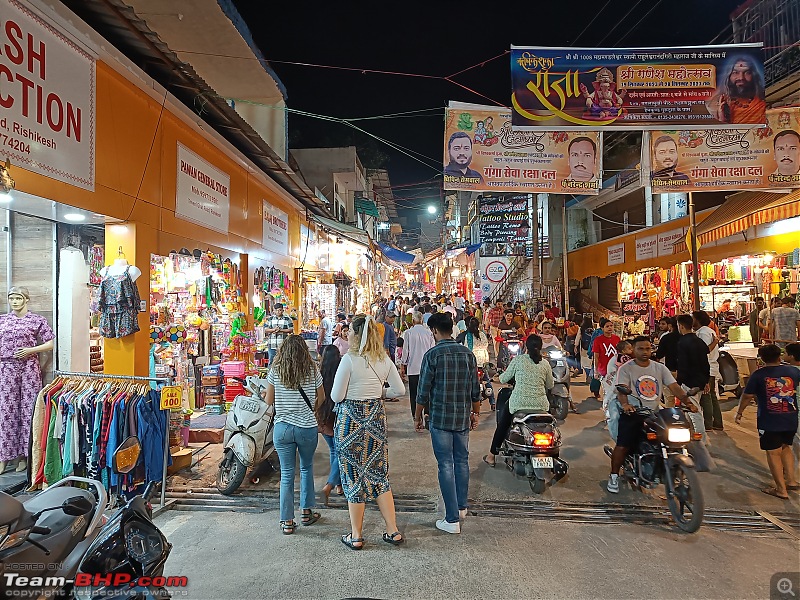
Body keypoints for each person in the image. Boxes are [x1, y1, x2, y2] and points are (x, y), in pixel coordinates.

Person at [331, 314, 405, 549]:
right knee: (378, 474)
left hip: (350, 422)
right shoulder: (383, 359)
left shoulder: (349, 360)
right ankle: (392, 531)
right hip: (375, 422)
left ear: (356, 334)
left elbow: (336, 396)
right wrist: (380, 393)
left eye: (350, 330)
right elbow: (399, 389)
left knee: (353, 476)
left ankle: (356, 535)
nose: (348, 333)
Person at [415, 312, 480, 534]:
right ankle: (461, 507)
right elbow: (475, 390)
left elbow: (422, 392)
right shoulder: (468, 354)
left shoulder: (432, 355)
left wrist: (417, 416)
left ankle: (451, 519)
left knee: (445, 464)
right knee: (461, 461)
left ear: (434, 331)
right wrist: (475, 413)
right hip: (462, 416)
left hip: (440, 418)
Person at [607, 336, 694, 493]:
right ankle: (613, 476)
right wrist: (625, 404)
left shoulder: (659, 368)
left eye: (648, 348)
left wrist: (687, 402)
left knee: (674, 438)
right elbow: (622, 389)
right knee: (623, 445)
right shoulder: (626, 368)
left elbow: (674, 387)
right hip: (633, 412)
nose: (645, 352)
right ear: (633, 350)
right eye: (641, 348)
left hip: (654, 413)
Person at [265, 335, 324, 534]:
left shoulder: (276, 370)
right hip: (306, 427)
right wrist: (311, 410)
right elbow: (321, 396)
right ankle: (306, 513)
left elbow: (268, 400)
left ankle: (287, 522)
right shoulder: (312, 369)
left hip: (282, 428)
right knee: (306, 468)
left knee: (287, 474)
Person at [735, 344, 799, 499]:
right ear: (779, 356)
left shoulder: (758, 375)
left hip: (769, 420)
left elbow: (747, 396)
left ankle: (781, 490)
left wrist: (739, 412)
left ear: (761, 358)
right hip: (790, 418)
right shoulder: (793, 372)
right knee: (786, 447)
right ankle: (791, 480)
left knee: (772, 453)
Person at [483, 335, 553, 467]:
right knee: (549, 426)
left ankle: (491, 456)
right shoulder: (545, 364)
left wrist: (498, 377)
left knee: (503, 425)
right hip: (541, 405)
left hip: (518, 403)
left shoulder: (519, 360)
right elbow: (550, 385)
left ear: (525, 346)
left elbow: (504, 379)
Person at [318, 345, 343, 505]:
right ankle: (329, 485)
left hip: (324, 418)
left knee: (334, 451)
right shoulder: (341, 373)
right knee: (340, 453)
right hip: (338, 418)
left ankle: (339, 485)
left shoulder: (319, 375)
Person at [707, 56, 766, 124]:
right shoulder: (715, 104)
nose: (741, 78)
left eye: (747, 72)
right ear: (728, 76)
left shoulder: (762, 102)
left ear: (754, 76)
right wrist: (722, 120)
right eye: (735, 73)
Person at [692, 310, 724, 431]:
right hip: (709, 366)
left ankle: (708, 423)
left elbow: (704, 351)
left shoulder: (704, 333)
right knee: (711, 395)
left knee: (706, 396)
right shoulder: (703, 332)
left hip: (707, 367)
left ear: (698, 320)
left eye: (693, 318)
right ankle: (717, 422)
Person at [604, 339, 634, 440]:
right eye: (629, 349)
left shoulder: (624, 358)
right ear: (623, 350)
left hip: (622, 386)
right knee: (614, 412)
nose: (632, 350)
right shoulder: (622, 359)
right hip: (616, 385)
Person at [676, 314, 712, 395]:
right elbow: (705, 362)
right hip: (701, 381)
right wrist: (705, 380)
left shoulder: (682, 342)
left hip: (689, 382)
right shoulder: (699, 341)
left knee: (692, 406)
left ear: (681, 326)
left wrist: (679, 381)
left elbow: (683, 364)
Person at [592, 319, 620, 401]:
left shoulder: (617, 338)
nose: (610, 328)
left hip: (615, 367)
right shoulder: (598, 340)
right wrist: (596, 370)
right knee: (606, 387)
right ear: (602, 328)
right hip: (603, 368)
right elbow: (596, 356)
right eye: (607, 326)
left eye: (611, 326)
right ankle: (607, 403)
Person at [654, 317, 680, 404]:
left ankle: (671, 416)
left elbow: (659, 354)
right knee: (685, 396)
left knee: (669, 397)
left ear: (670, 326)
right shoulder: (686, 337)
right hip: (685, 370)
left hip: (670, 369)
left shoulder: (666, 337)